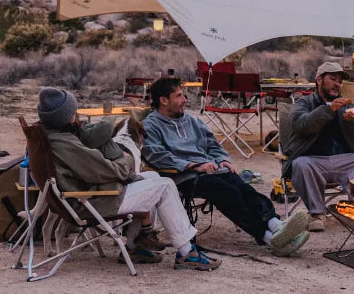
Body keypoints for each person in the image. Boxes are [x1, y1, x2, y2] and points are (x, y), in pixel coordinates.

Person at [36, 87, 218, 271]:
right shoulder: (66, 144)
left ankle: (134, 246)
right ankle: (186, 252)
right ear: (67, 117)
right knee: (166, 185)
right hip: (94, 202)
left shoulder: (54, 137)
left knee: (153, 176)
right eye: (74, 112)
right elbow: (112, 171)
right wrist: (126, 158)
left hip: (87, 196)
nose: (77, 115)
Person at [141, 78, 310, 256]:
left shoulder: (191, 121)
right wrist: (194, 165)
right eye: (179, 96)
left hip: (212, 170)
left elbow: (212, 144)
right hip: (183, 177)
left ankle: (276, 226)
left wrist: (222, 159)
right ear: (164, 100)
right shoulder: (151, 125)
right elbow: (156, 155)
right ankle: (269, 237)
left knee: (244, 188)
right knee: (228, 193)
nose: (184, 100)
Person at [285, 61, 354, 232]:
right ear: (319, 80)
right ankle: (317, 214)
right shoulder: (304, 103)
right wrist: (328, 110)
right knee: (300, 165)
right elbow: (301, 126)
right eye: (333, 79)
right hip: (314, 161)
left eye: (340, 81)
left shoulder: (348, 105)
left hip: (344, 162)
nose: (337, 84)